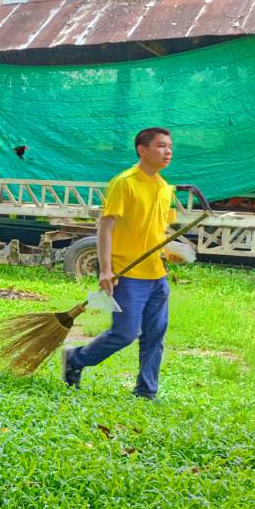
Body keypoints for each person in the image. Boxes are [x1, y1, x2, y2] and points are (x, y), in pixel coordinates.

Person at [62, 127, 176, 400]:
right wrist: (105, 270)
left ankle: (146, 391)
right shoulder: (124, 183)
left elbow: (162, 231)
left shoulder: (164, 187)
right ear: (142, 149)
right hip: (128, 275)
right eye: (161, 146)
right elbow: (106, 228)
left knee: (155, 334)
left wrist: (173, 249)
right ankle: (76, 359)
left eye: (170, 146)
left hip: (157, 276)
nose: (168, 151)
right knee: (124, 334)